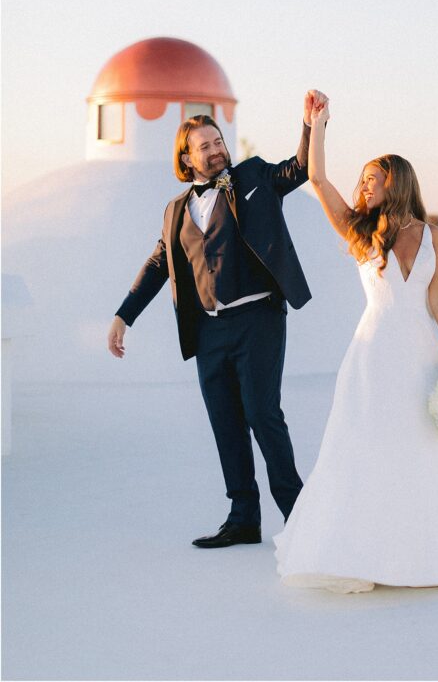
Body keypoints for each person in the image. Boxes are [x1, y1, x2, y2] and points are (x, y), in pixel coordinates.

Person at [274, 98, 438, 592]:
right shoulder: (358, 229)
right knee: (362, 446)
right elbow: (318, 180)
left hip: (418, 358)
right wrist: (317, 125)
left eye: (371, 178)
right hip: (372, 356)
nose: (362, 186)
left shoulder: (432, 235)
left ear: (396, 181)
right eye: (363, 179)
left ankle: (414, 554)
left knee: (418, 450)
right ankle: (356, 553)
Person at [107, 89, 328, 548]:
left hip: (258, 320)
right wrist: (123, 316)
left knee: (264, 415)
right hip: (209, 330)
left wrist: (310, 124)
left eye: (218, 140)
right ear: (186, 159)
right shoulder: (175, 211)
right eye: (204, 145)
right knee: (226, 421)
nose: (216, 149)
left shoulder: (252, 176)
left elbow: (299, 169)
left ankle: (301, 516)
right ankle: (243, 518)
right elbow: (157, 266)